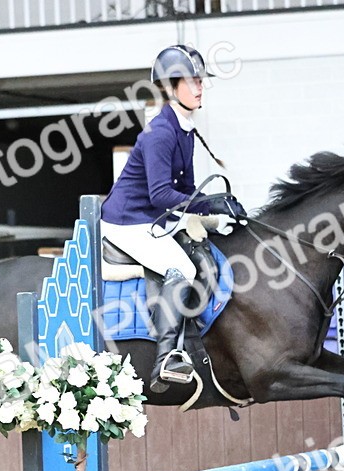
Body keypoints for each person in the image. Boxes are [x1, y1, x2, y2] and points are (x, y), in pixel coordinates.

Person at [102, 44, 246, 392]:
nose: (199, 88)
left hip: (153, 217)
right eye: (192, 81)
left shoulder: (184, 130)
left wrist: (217, 212)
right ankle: (166, 358)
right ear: (170, 87)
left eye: (200, 81)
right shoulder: (161, 133)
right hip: (127, 222)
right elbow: (161, 195)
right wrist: (210, 205)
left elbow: (189, 190)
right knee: (184, 268)